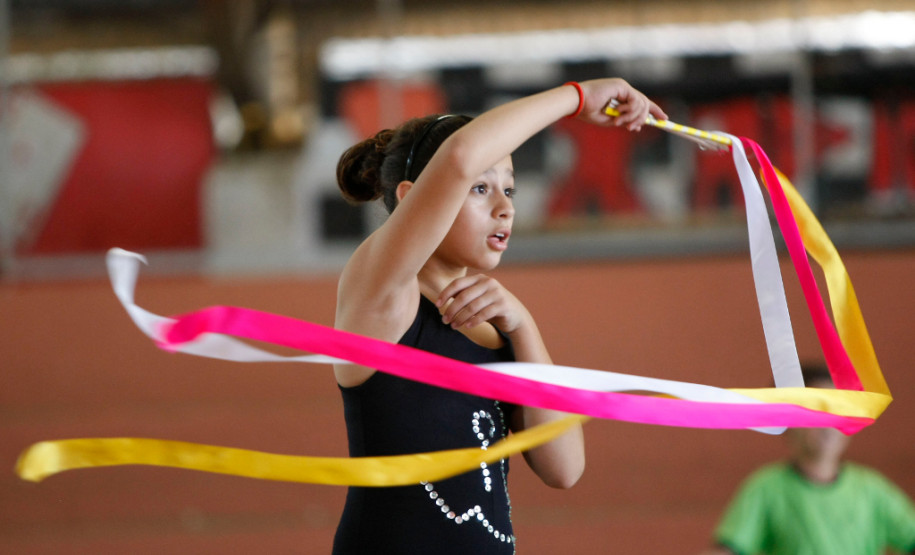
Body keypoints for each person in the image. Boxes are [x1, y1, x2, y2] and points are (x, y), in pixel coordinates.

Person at [330, 79, 666, 554]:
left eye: (509, 188)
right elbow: (461, 155)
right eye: (481, 189)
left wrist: (523, 326)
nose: (505, 208)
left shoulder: (496, 325)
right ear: (413, 198)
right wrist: (577, 97)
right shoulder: (382, 296)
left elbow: (564, 468)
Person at [702, 364, 915, 555]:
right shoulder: (766, 488)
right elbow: (729, 548)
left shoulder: (872, 489)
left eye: (837, 411)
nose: (828, 426)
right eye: (815, 412)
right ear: (786, 423)